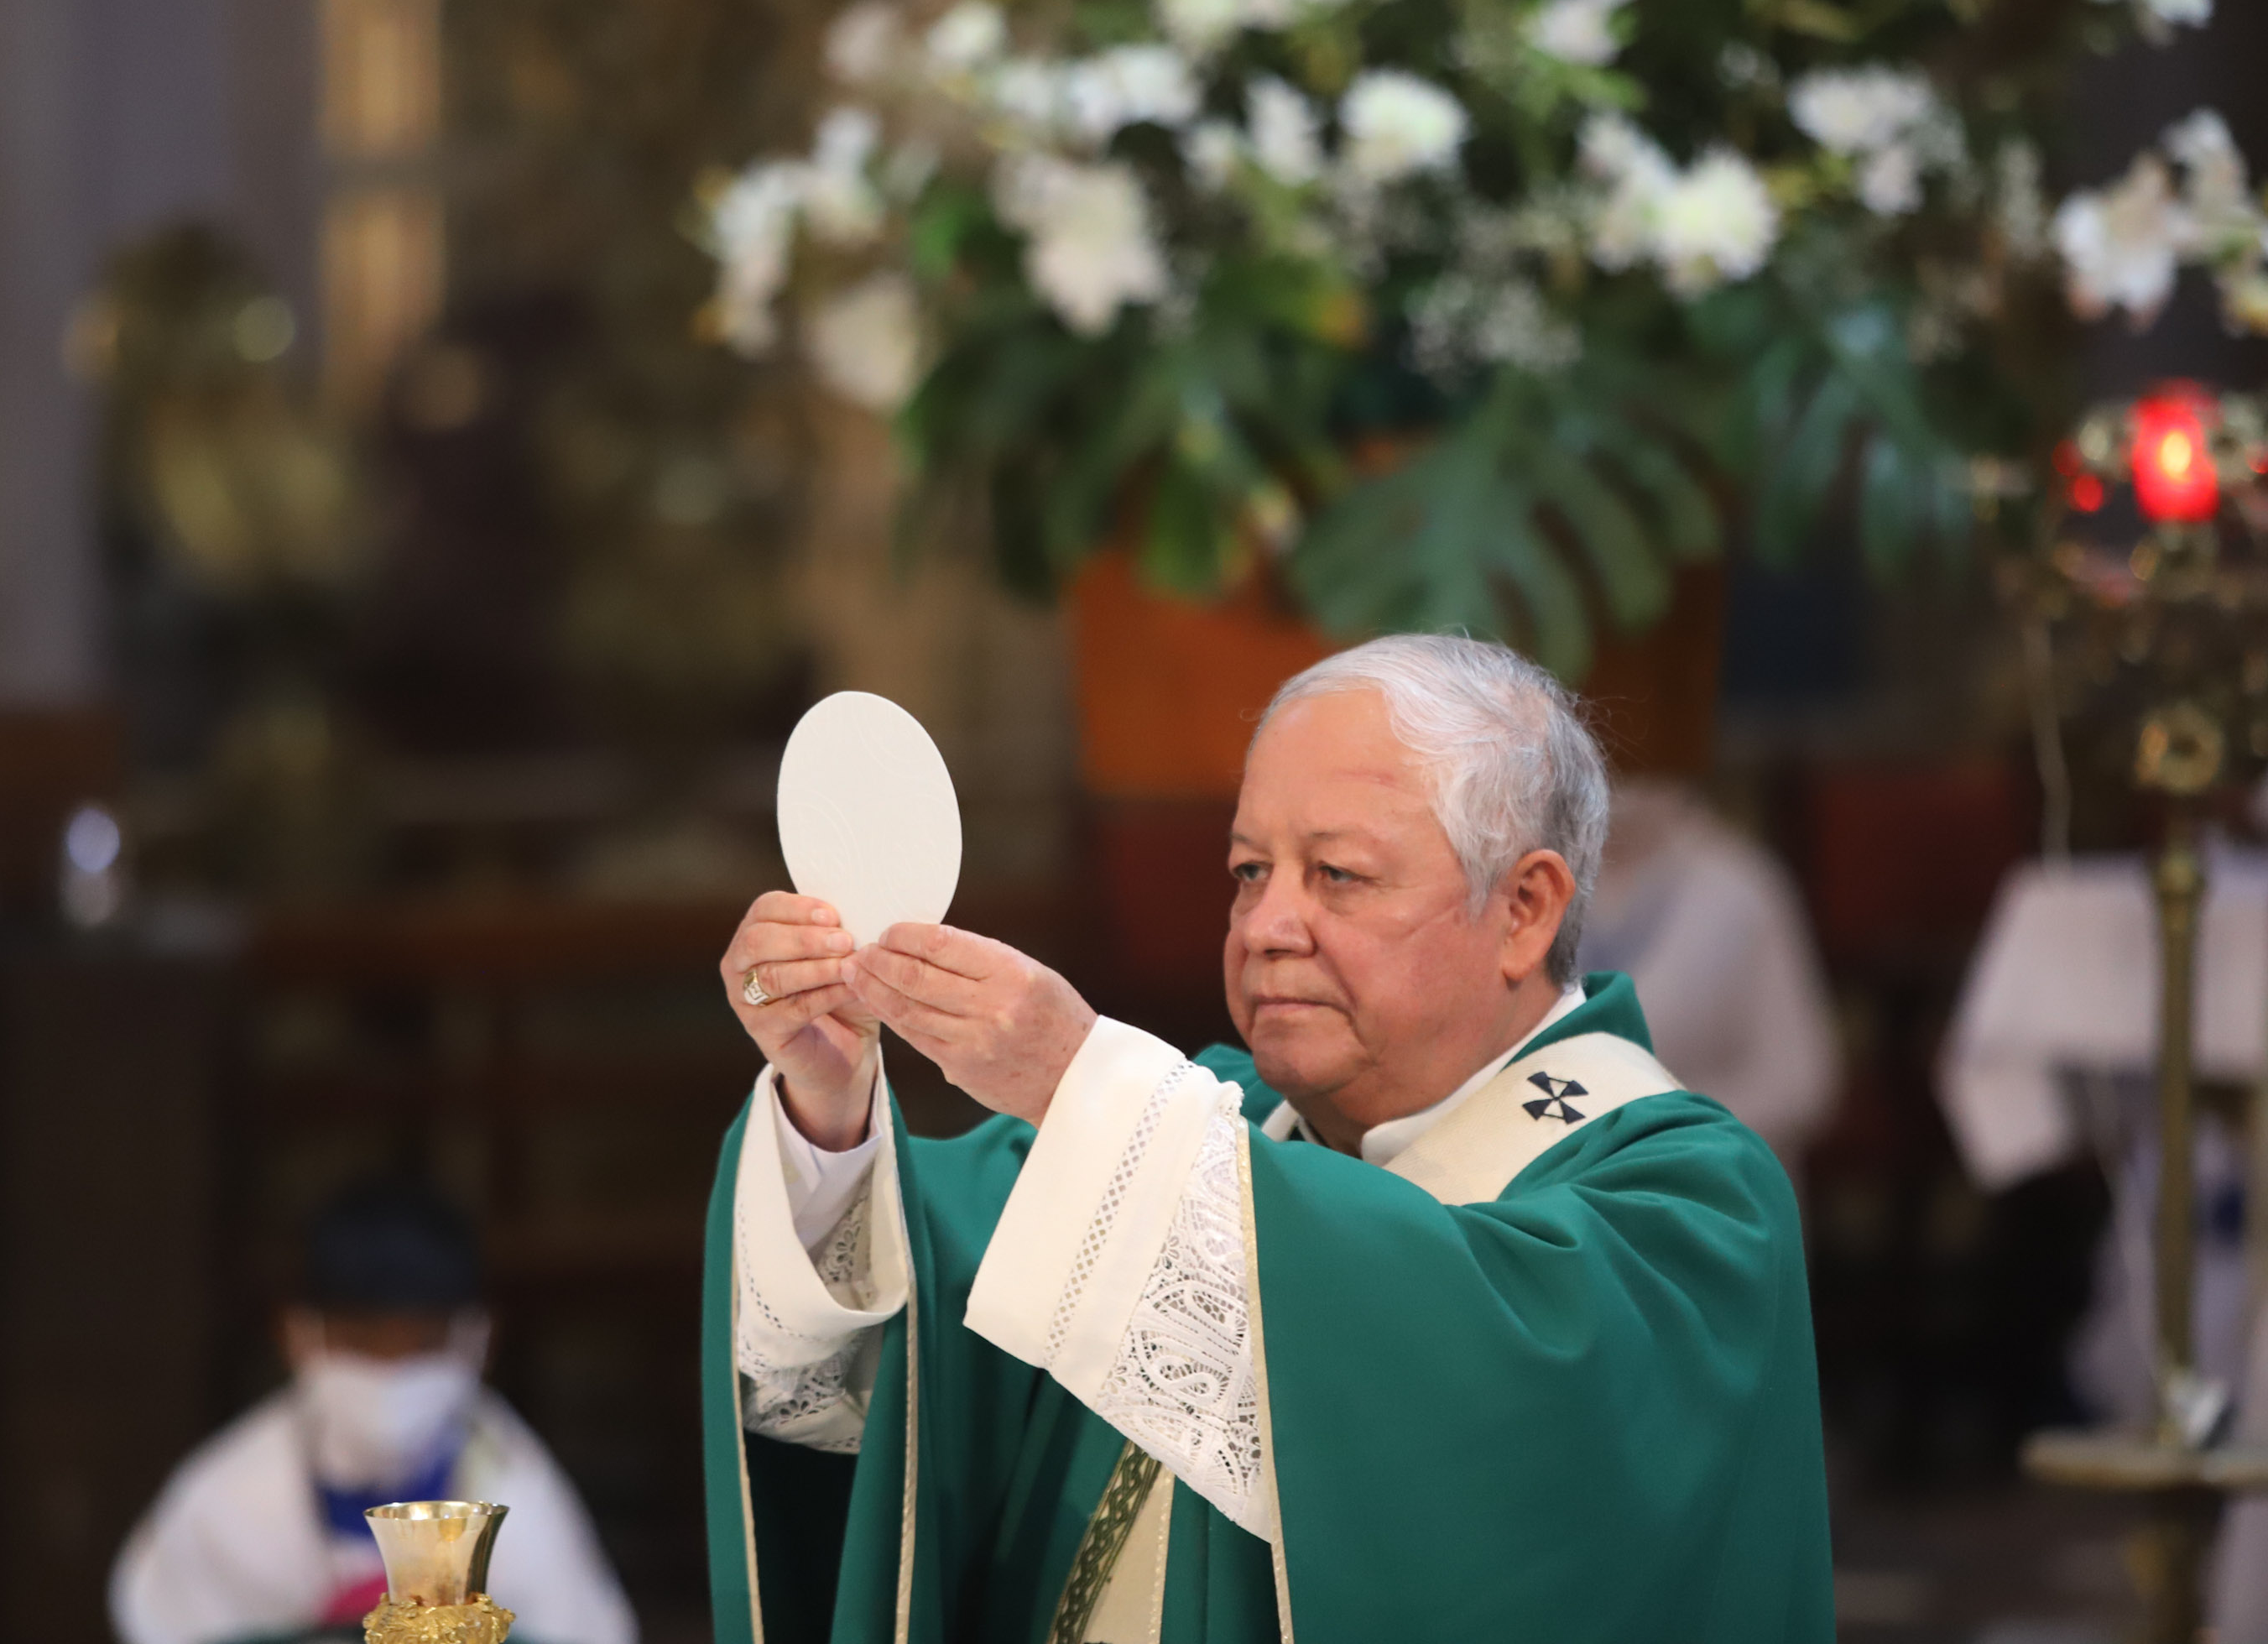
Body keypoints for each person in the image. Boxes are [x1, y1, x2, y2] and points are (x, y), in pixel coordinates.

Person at [707, 634, 1831, 1642]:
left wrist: (1075, 1080)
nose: (1269, 926)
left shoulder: (1687, 1205)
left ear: (1525, 909)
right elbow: (897, 1361)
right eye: (1252, 871)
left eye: (1336, 875)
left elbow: (1492, 1441)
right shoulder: (1203, 1119)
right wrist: (829, 1107)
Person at [111, 1182, 637, 1644]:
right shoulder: (228, 1507)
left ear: (480, 1337)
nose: (392, 1373)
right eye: (360, 1343)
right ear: (295, 1335)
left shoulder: (523, 1513)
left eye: (423, 1346)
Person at [1582, 775, 1841, 1177]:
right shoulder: (1517, 885)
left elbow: (1800, 1080)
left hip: (1703, 1187)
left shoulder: (1741, 888)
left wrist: (1659, 1132)